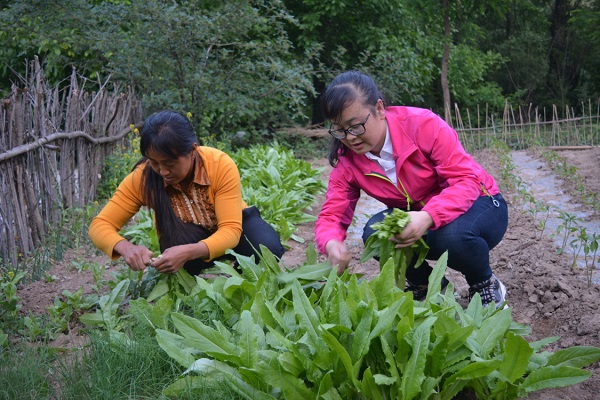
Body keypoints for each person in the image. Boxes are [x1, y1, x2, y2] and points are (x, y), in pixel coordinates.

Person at [314, 71, 509, 307]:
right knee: (376, 233)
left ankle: (484, 282)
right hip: (421, 214)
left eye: (355, 127)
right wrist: (331, 243)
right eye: (340, 130)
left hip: (481, 204)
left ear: (379, 109)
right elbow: (332, 215)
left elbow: (466, 181)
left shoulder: (422, 125)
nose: (349, 138)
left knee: (452, 235)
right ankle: (427, 285)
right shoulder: (348, 161)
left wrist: (428, 216)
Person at [89, 110, 285, 275]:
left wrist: (190, 251)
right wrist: (126, 248)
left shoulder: (218, 165)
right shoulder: (142, 178)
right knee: (178, 257)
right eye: (154, 162)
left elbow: (231, 231)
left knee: (266, 247)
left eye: (170, 163)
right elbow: (100, 225)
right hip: (188, 237)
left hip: (234, 228)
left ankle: (243, 277)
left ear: (192, 151)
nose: (162, 171)